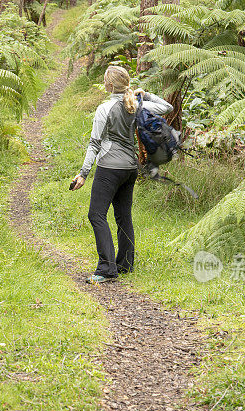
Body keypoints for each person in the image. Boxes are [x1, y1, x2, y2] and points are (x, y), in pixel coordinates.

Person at [69, 65, 173, 284]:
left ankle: (107, 269)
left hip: (109, 168)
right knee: (123, 216)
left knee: (96, 215)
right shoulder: (135, 104)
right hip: (129, 169)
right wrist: (145, 94)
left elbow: (94, 143)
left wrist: (83, 174)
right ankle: (125, 263)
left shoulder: (104, 109)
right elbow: (167, 107)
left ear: (108, 85)